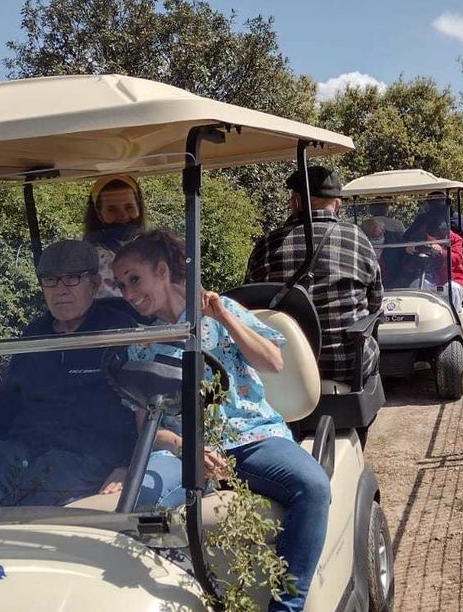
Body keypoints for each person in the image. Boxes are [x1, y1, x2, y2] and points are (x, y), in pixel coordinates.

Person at [110, 230, 330, 612]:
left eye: (134, 279)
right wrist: (186, 447)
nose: (128, 293)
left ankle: (287, 606)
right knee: (133, 510)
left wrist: (224, 317)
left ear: (162, 271)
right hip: (185, 454)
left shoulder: (220, 312)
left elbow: (273, 362)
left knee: (312, 487)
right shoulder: (140, 344)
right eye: (121, 285)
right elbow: (146, 428)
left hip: (250, 438)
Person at [0, 240, 139, 506]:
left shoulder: (117, 330)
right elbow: (6, 401)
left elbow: (139, 407)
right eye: (51, 280)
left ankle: (10, 544)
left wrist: (129, 464)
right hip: (27, 445)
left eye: (71, 279)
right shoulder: (35, 334)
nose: (61, 290)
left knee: (40, 489)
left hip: (88, 453)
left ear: (93, 283)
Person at [247, 165, 382, 384]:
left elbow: (249, 307)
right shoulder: (358, 239)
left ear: (295, 203)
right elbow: (375, 301)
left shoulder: (265, 246)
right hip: (347, 366)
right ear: (337, 205)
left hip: (283, 368)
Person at [84, 173, 148, 298]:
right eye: (112, 210)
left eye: (129, 207)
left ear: (138, 208)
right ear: (99, 213)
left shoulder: (158, 248)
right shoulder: (92, 260)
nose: (123, 216)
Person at [406, 219, 463, 309]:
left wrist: (441, 251)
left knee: (452, 289)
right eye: (428, 237)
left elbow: (457, 259)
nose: (428, 240)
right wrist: (410, 249)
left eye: (432, 239)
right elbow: (410, 260)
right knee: (415, 285)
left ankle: (455, 318)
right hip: (431, 278)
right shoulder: (422, 237)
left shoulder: (455, 239)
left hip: (452, 278)